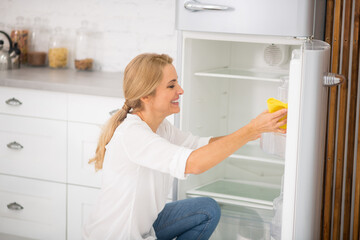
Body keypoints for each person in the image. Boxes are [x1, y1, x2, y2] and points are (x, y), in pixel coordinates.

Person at [82, 53, 287, 240]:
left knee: (206, 209)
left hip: (145, 229)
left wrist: (254, 132)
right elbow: (193, 163)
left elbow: (200, 146)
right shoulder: (133, 134)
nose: (180, 90)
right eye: (171, 86)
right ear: (146, 95)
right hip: (117, 236)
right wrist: (249, 131)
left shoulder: (161, 127)